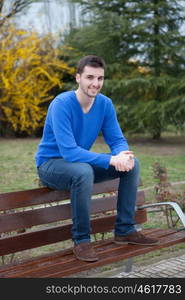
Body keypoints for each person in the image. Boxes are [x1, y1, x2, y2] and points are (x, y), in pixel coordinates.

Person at [35, 55, 158, 262]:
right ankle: (82, 240)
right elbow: (69, 152)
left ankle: (125, 230)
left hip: (80, 165)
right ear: (78, 78)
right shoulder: (61, 104)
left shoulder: (104, 104)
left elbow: (117, 139)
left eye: (100, 78)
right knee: (84, 171)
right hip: (51, 165)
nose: (95, 83)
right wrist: (111, 160)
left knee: (132, 165)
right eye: (90, 77)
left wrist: (122, 156)